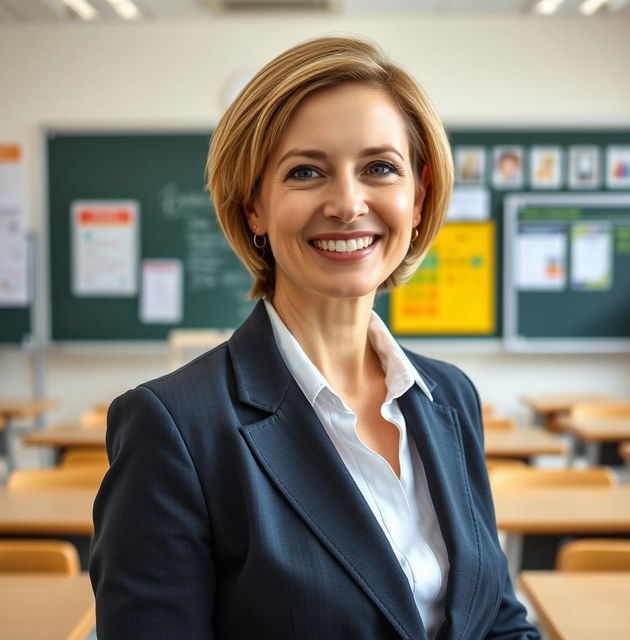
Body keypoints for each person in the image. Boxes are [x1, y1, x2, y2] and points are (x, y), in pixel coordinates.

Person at [90, 36, 539, 639]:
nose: (348, 204)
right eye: (306, 172)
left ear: (419, 194)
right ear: (254, 206)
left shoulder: (449, 397)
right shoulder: (174, 427)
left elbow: (497, 619)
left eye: (380, 168)